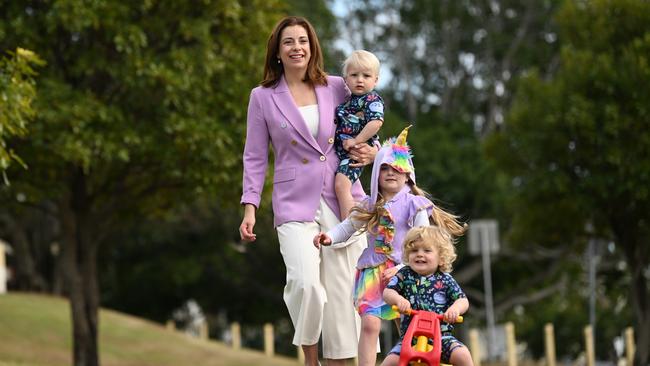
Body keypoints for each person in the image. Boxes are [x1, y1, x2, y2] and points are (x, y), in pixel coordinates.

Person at [239, 16, 378, 366]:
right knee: (306, 285)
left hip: (341, 198)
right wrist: (250, 207)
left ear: (312, 46)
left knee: (344, 296)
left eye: (303, 40)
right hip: (293, 204)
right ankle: (310, 358)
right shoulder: (262, 97)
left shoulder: (337, 86)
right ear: (278, 51)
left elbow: (369, 122)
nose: (297, 47)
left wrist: (375, 153)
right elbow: (255, 156)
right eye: (289, 41)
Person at [313, 127, 466, 366]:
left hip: (405, 276)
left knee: (408, 327)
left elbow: (423, 240)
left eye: (396, 168)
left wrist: (404, 267)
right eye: (384, 168)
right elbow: (347, 227)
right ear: (375, 174)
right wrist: (330, 237)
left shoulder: (415, 205)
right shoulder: (368, 205)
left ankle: (412, 361)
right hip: (374, 273)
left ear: (407, 175)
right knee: (370, 323)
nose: (390, 173)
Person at [382, 226, 473, 366]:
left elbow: (462, 300)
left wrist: (455, 310)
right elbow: (388, 292)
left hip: (442, 338)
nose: (419, 254)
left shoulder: (445, 279)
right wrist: (398, 299)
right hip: (410, 339)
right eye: (414, 250)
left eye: (427, 250)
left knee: (463, 355)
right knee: (390, 362)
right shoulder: (404, 274)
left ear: (441, 258)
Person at [334, 50, 384, 219]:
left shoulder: (372, 100)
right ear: (346, 79)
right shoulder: (348, 100)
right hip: (342, 153)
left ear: (375, 80)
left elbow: (375, 123)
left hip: (356, 152)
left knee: (341, 185)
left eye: (366, 76)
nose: (360, 79)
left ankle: (346, 225)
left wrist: (356, 140)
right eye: (354, 75)